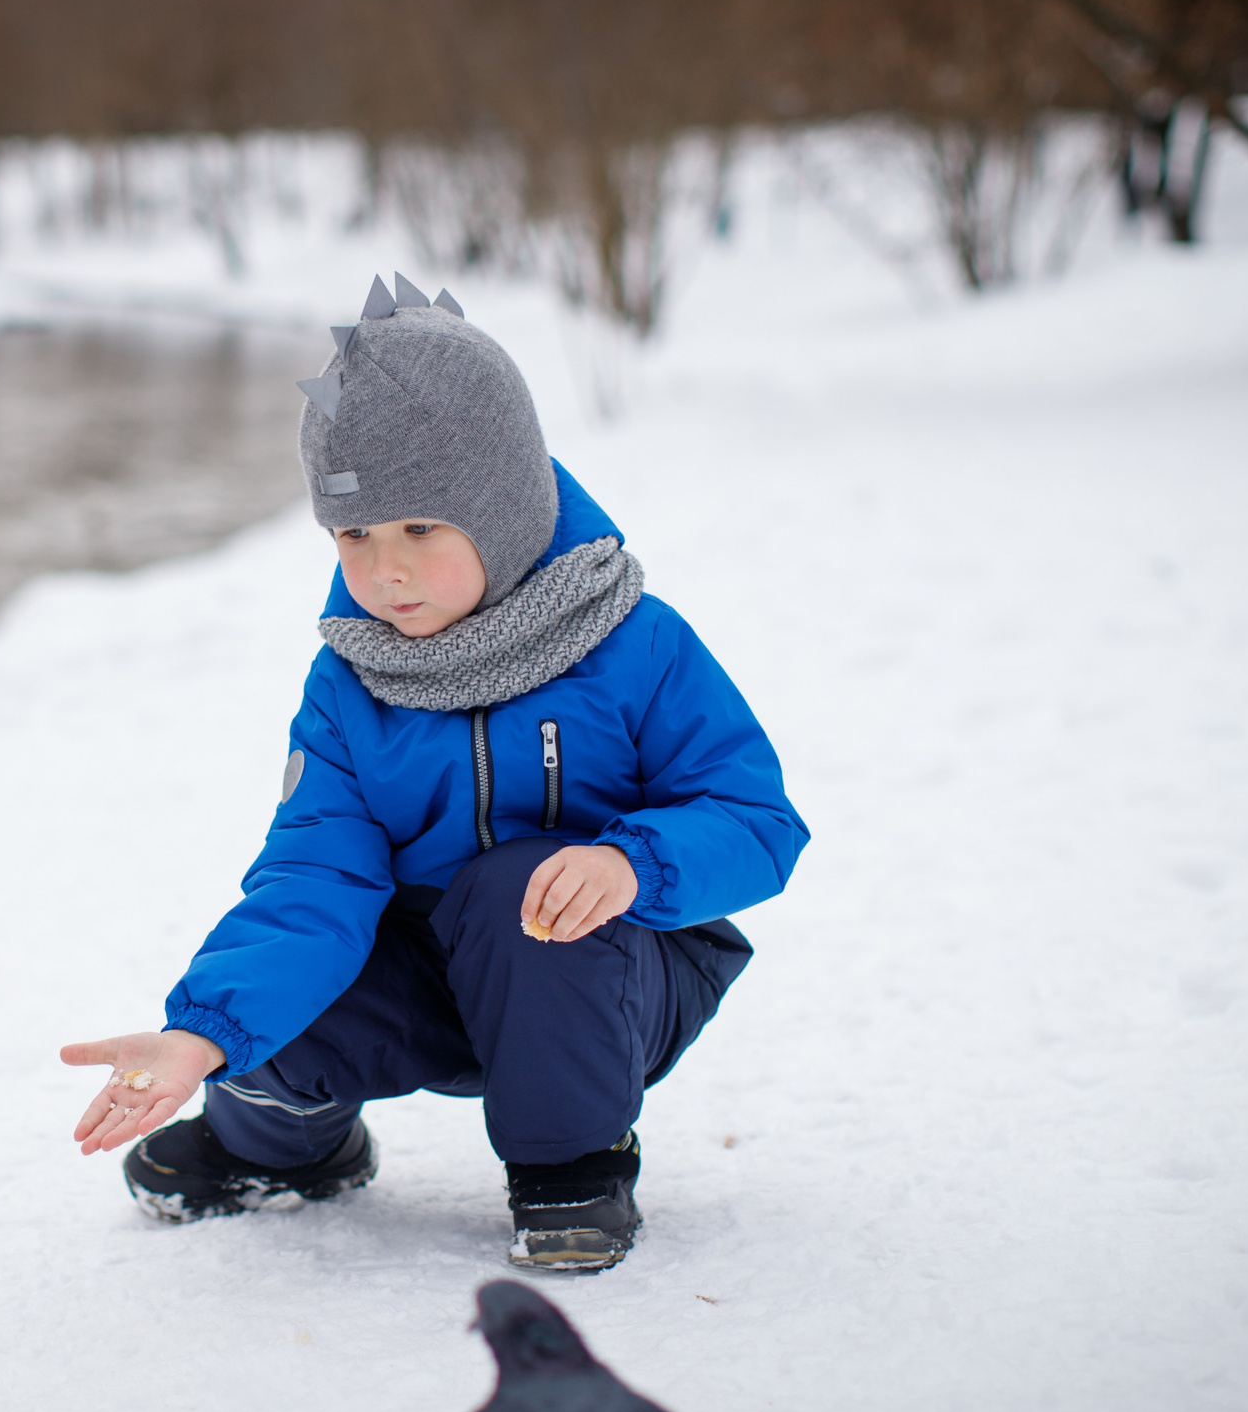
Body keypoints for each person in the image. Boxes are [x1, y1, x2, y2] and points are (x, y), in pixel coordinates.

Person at [59, 275, 807, 1271]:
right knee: (269, 1007)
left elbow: (755, 817)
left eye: (419, 528)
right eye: (355, 535)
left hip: (609, 970)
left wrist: (631, 863)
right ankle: (280, 1150)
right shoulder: (350, 683)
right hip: (428, 969)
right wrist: (199, 1035)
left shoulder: (633, 643)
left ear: (502, 511)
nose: (386, 570)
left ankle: (571, 1164)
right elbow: (314, 877)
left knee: (518, 886)